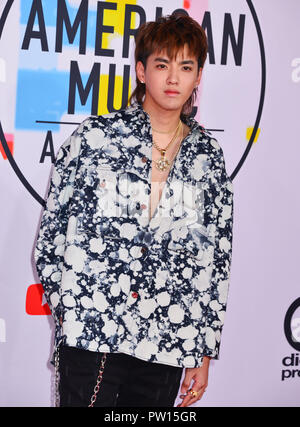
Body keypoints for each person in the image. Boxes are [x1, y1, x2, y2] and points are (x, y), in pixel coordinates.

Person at [34, 13, 234, 408]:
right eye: (162, 65)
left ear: (198, 77)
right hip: (93, 335)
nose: (173, 78)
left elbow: (217, 259)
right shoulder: (95, 138)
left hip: (168, 341)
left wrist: (204, 349)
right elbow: (51, 237)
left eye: (186, 67)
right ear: (142, 71)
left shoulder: (208, 158)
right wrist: (72, 310)